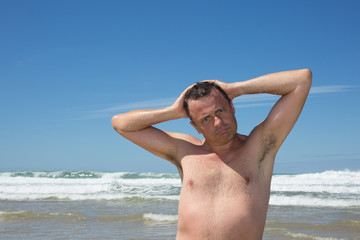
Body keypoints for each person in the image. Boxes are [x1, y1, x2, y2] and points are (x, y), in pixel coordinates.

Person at [111, 69, 312, 240]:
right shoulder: (185, 151)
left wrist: (236, 88)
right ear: (195, 126)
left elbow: (301, 79)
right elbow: (121, 124)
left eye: (220, 111)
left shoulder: (259, 147)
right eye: (205, 119)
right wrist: (172, 111)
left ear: (232, 106)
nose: (218, 122)